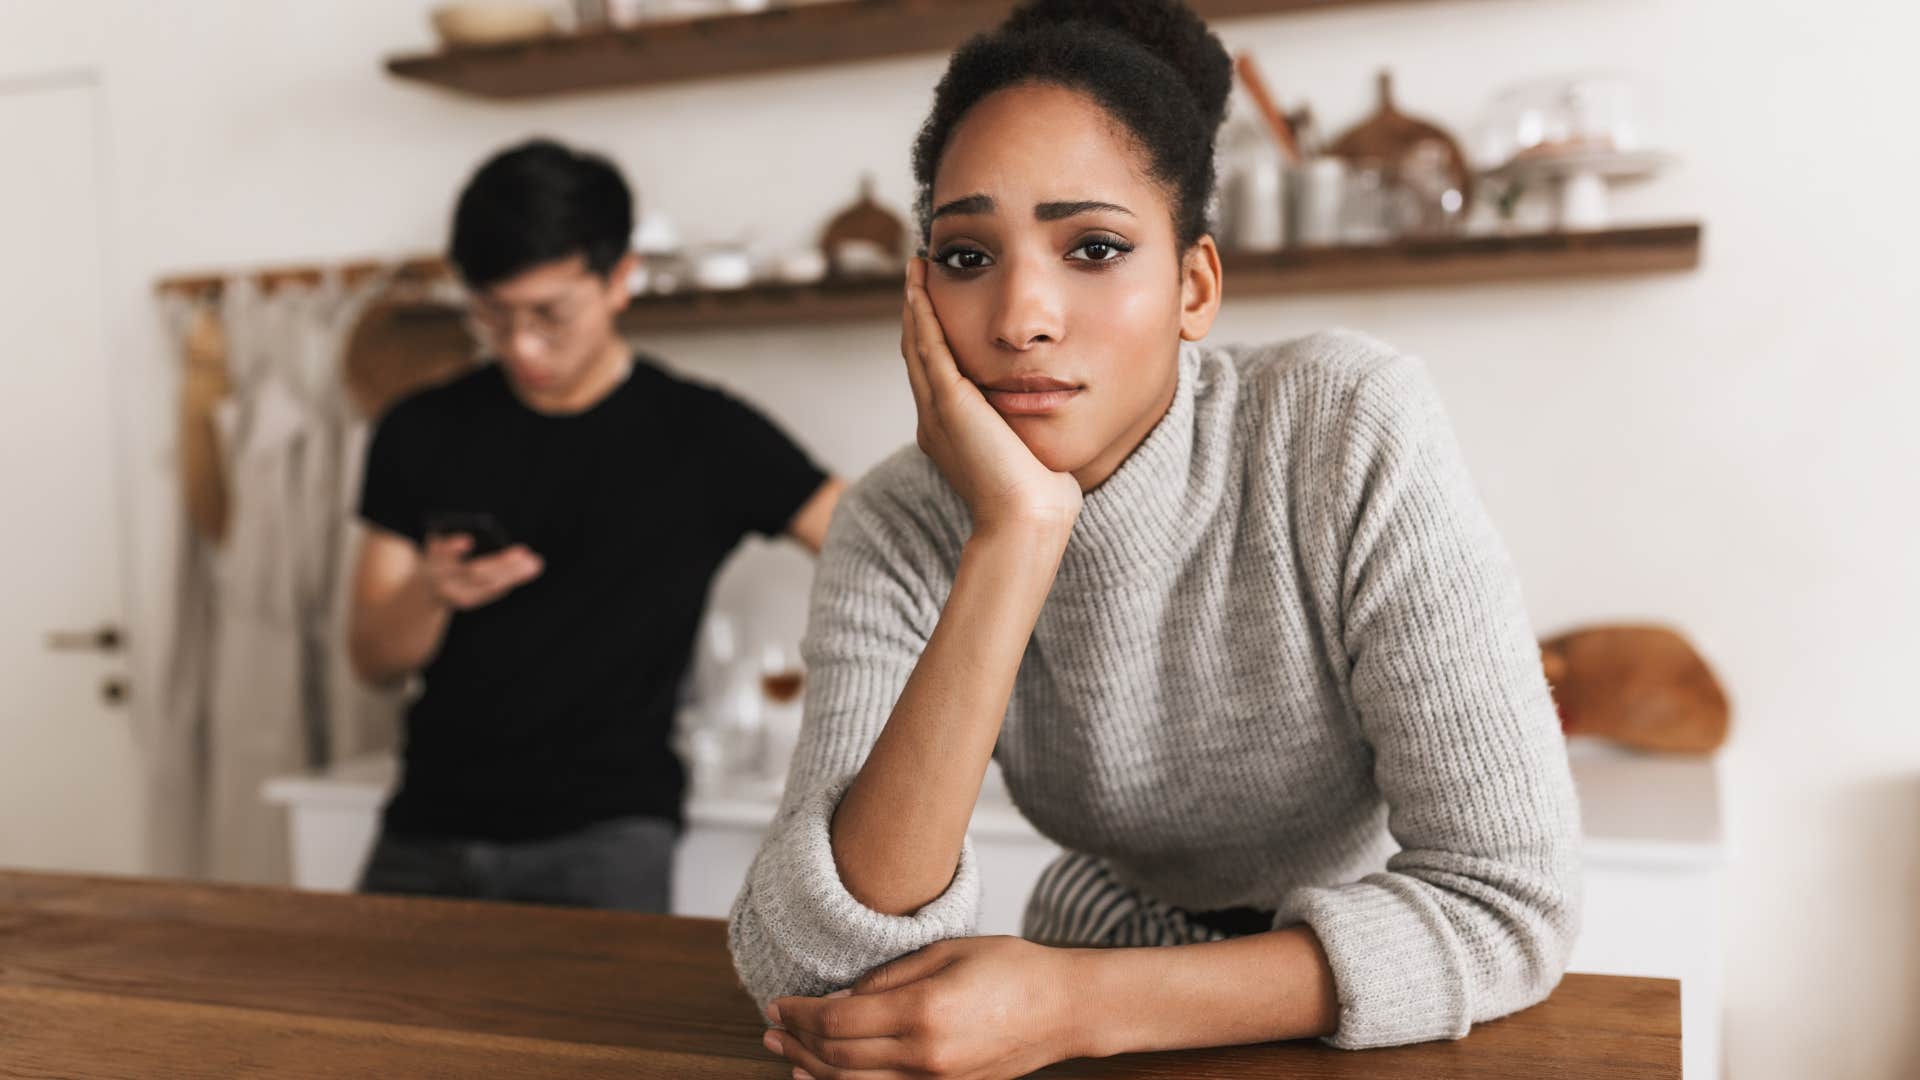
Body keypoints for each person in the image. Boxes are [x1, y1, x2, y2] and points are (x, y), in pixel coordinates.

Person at [728, 1, 1582, 1074]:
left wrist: (1076, 1008)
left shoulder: (1343, 426)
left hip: (1366, 992)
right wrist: (1018, 536)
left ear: (1194, 286)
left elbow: (1510, 904)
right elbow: (811, 969)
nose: (1021, 318)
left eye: (1093, 247)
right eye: (964, 256)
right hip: (1102, 952)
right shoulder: (900, 519)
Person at [348, 139, 842, 912]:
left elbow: (867, 545)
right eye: (492, 316)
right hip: (427, 827)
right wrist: (432, 592)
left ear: (621, 280)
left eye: (550, 314)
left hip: (608, 839)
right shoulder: (420, 429)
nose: (522, 346)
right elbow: (372, 657)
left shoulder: (705, 435)